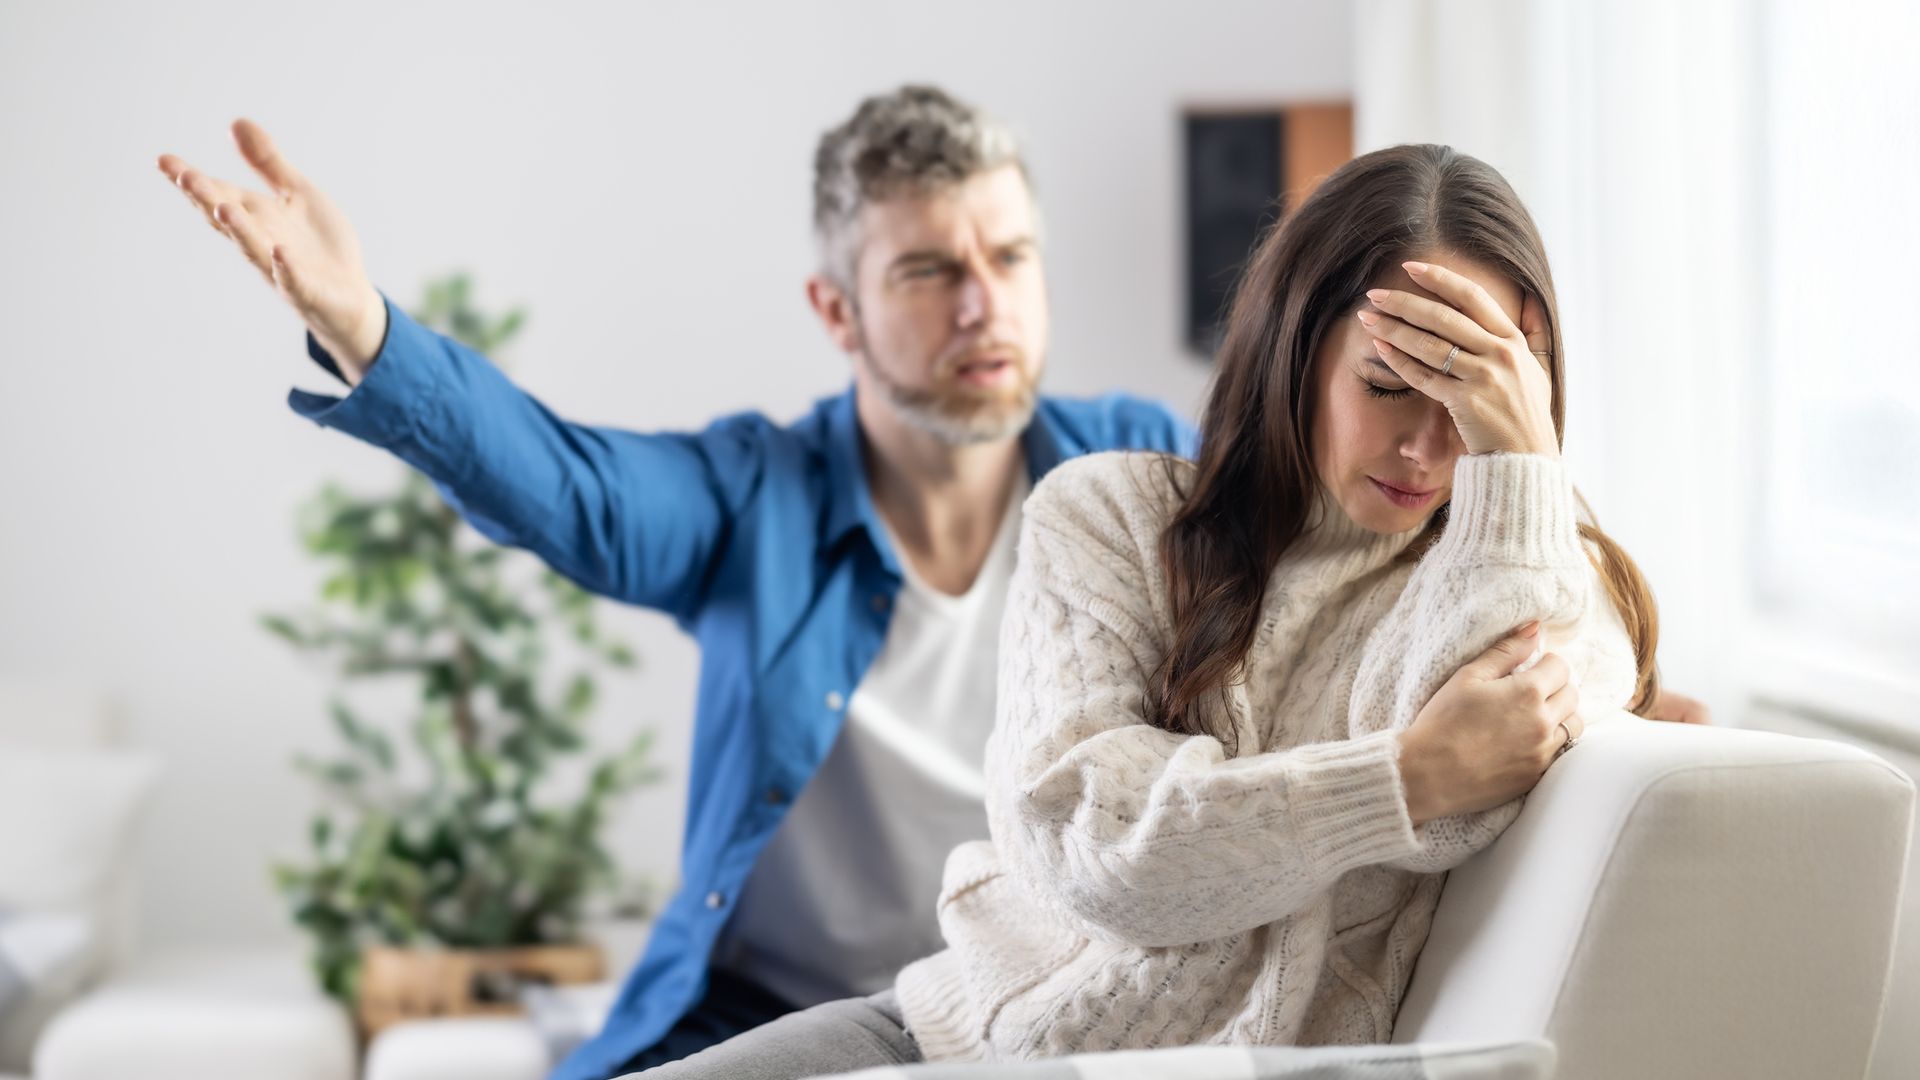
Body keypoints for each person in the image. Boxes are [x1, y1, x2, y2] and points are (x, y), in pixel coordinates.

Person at [157, 91, 1706, 1079]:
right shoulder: (787, 501)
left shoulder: (1151, 464)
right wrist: (366, 327)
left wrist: (1604, 666)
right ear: (836, 306)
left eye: (1013, 260)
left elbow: (1387, 609)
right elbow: (567, 484)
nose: (987, 308)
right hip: (841, 993)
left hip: (1058, 995)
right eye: (929, 272)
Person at [623, 142, 1675, 1078]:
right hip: (955, 1032)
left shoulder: (1555, 585)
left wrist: (1522, 466)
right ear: (1297, 348)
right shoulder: (1108, 515)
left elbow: (1470, 809)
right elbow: (1088, 842)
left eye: (1475, 404)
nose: (1426, 449)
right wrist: (1399, 775)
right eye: (1391, 384)